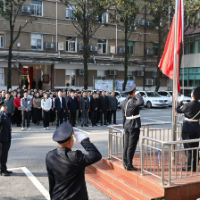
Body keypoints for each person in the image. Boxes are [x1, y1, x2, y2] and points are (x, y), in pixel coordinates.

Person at [46, 122, 102, 200]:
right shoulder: (75, 156)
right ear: (70, 141)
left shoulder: (50, 155)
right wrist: (84, 141)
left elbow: (51, 181)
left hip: (57, 197)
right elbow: (96, 155)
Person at [121, 85, 144, 171]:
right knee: (131, 146)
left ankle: (125, 162)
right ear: (133, 93)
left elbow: (123, 116)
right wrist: (139, 95)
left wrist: (124, 125)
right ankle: (129, 165)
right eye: (136, 91)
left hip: (127, 124)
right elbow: (141, 102)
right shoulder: (133, 101)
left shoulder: (123, 102)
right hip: (134, 125)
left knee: (126, 145)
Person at [177, 87, 200, 172]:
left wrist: (181, 101)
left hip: (188, 128)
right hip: (197, 128)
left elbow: (178, 110)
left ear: (192, 95)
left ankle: (189, 166)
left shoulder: (188, 105)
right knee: (195, 147)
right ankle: (194, 166)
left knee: (188, 148)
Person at [0, 103, 13, 176]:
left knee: (4, 154)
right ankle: (2, 170)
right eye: (4, 106)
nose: (6, 107)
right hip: (2, 138)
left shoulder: (5, 115)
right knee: (2, 154)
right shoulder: (1, 115)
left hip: (7, 137)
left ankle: (4, 168)